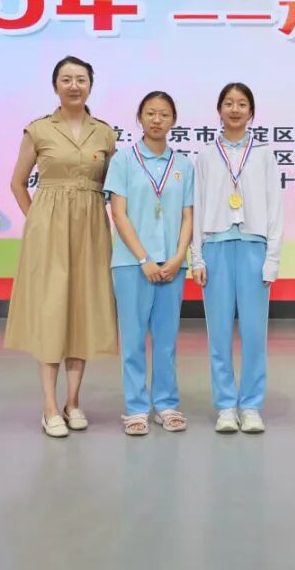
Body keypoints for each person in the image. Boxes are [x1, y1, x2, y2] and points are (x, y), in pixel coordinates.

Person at [3, 56, 118, 438]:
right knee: (51, 311)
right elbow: (18, 182)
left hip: (91, 228)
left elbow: (116, 183)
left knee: (82, 310)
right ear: (55, 86)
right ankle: (50, 406)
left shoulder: (105, 134)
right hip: (49, 230)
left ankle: (73, 401)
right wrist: (36, 221)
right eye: (66, 79)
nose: (74, 85)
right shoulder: (38, 129)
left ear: (90, 85)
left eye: (81, 79)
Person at [190, 82, 284, 434]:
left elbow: (275, 207)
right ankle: (226, 405)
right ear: (219, 110)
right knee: (218, 334)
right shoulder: (205, 155)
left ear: (251, 112)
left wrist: (272, 258)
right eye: (228, 103)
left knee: (254, 334)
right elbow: (197, 206)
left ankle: (252, 405)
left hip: (253, 248)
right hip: (215, 247)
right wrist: (197, 257)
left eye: (242, 104)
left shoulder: (263, 154)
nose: (234, 109)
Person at [104, 92, 194, 436]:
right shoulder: (124, 161)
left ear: (174, 120)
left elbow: (188, 216)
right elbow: (119, 213)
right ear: (139, 118)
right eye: (150, 113)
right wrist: (143, 258)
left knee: (166, 340)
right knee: (133, 340)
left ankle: (167, 404)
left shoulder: (183, 165)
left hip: (172, 265)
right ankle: (136, 408)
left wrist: (178, 257)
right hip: (132, 265)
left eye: (164, 114)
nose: (157, 120)